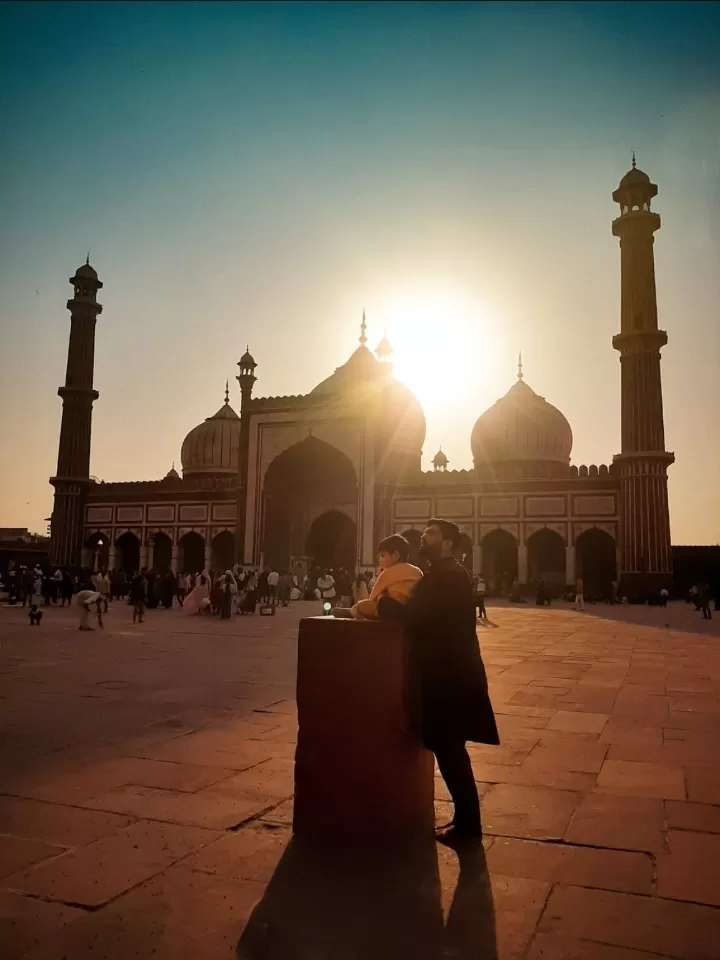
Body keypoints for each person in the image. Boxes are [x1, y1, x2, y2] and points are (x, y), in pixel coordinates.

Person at [378, 518, 499, 842]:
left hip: (450, 675)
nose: (424, 538)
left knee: (450, 749)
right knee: (450, 748)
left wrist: (384, 603)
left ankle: (469, 826)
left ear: (448, 543)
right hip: (450, 671)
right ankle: (466, 819)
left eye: (432, 534)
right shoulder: (445, 574)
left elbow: (416, 616)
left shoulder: (446, 576)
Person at [348, 535, 422, 619]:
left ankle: (351, 612)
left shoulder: (388, 572)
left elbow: (372, 598)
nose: (380, 560)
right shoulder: (417, 570)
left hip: (391, 609)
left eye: (382, 556)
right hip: (411, 611)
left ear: (395, 555)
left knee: (361, 605)